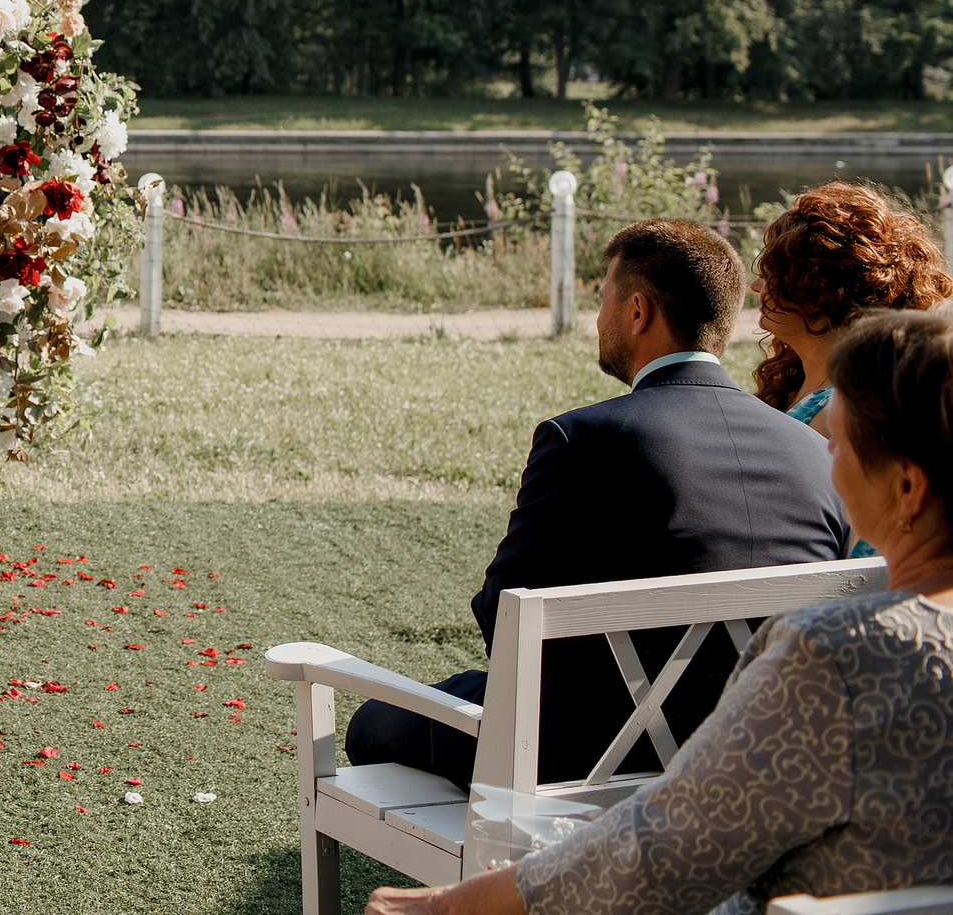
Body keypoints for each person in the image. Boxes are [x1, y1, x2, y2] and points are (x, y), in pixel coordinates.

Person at [366, 307, 953, 914]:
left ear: (907, 488)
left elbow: (657, 858)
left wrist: (445, 906)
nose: (825, 451)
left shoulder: (834, 660)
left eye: (842, 442)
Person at [343, 217, 849, 786]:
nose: (599, 316)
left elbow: (501, 620)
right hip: (758, 754)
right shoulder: (815, 451)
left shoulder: (580, 439)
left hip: (588, 760)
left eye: (603, 297)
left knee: (373, 725)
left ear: (638, 312)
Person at [751, 180, 952, 436]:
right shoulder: (800, 378)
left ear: (817, 290)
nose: (757, 286)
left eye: (770, 275)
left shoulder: (846, 413)